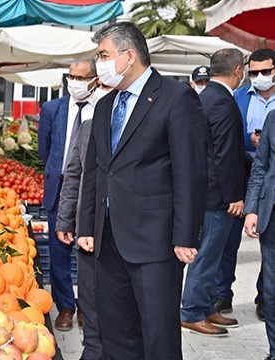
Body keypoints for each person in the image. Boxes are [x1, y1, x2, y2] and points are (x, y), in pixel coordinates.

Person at [77, 22, 207, 359]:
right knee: (117, 332)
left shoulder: (176, 98)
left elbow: (190, 172)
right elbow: (95, 171)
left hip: (155, 242)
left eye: (103, 55)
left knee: (158, 335)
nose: (98, 62)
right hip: (108, 241)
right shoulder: (105, 106)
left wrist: (185, 236)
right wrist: (86, 227)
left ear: (129, 55)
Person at [179, 48, 246, 336]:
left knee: (212, 254)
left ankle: (206, 307)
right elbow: (225, 155)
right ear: (238, 71)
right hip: (215, 195)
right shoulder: (221, 102)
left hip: (204, 191)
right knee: (207, 255)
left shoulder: (204, 97)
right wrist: (234, 195)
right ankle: (192, 311)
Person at [38, 57, 99, 332]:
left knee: (88, 249)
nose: (75, 83)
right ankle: (65, 306)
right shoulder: (52, 109)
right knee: (58, 250)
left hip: (90, 189)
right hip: (58, 185)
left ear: (95, 80)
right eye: (71, 77)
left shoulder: (101, 109)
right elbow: (44, 148)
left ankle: (87, 307)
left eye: (82, 78)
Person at [216, 47, 275, 321]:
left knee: (271, 243)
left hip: (270, 180)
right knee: (227, 240)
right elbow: (226, 136)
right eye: (253, 72)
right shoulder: (237, 98)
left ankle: (266, 297)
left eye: (265, 72)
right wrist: (250, 139)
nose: (259, 77)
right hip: (240, 175)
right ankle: (221, 294)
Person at [54, 79, 111, 360]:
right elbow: (73, 174)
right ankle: (92, 351)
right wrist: (65, 219)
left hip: (126, 232)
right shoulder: (88, 128)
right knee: (89, 300)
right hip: (88, 228)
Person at [244, 108, 275, 360]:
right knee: (271, 291)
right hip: (271, 216)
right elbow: (260, 166)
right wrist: (252, 209)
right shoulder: (273, 118)